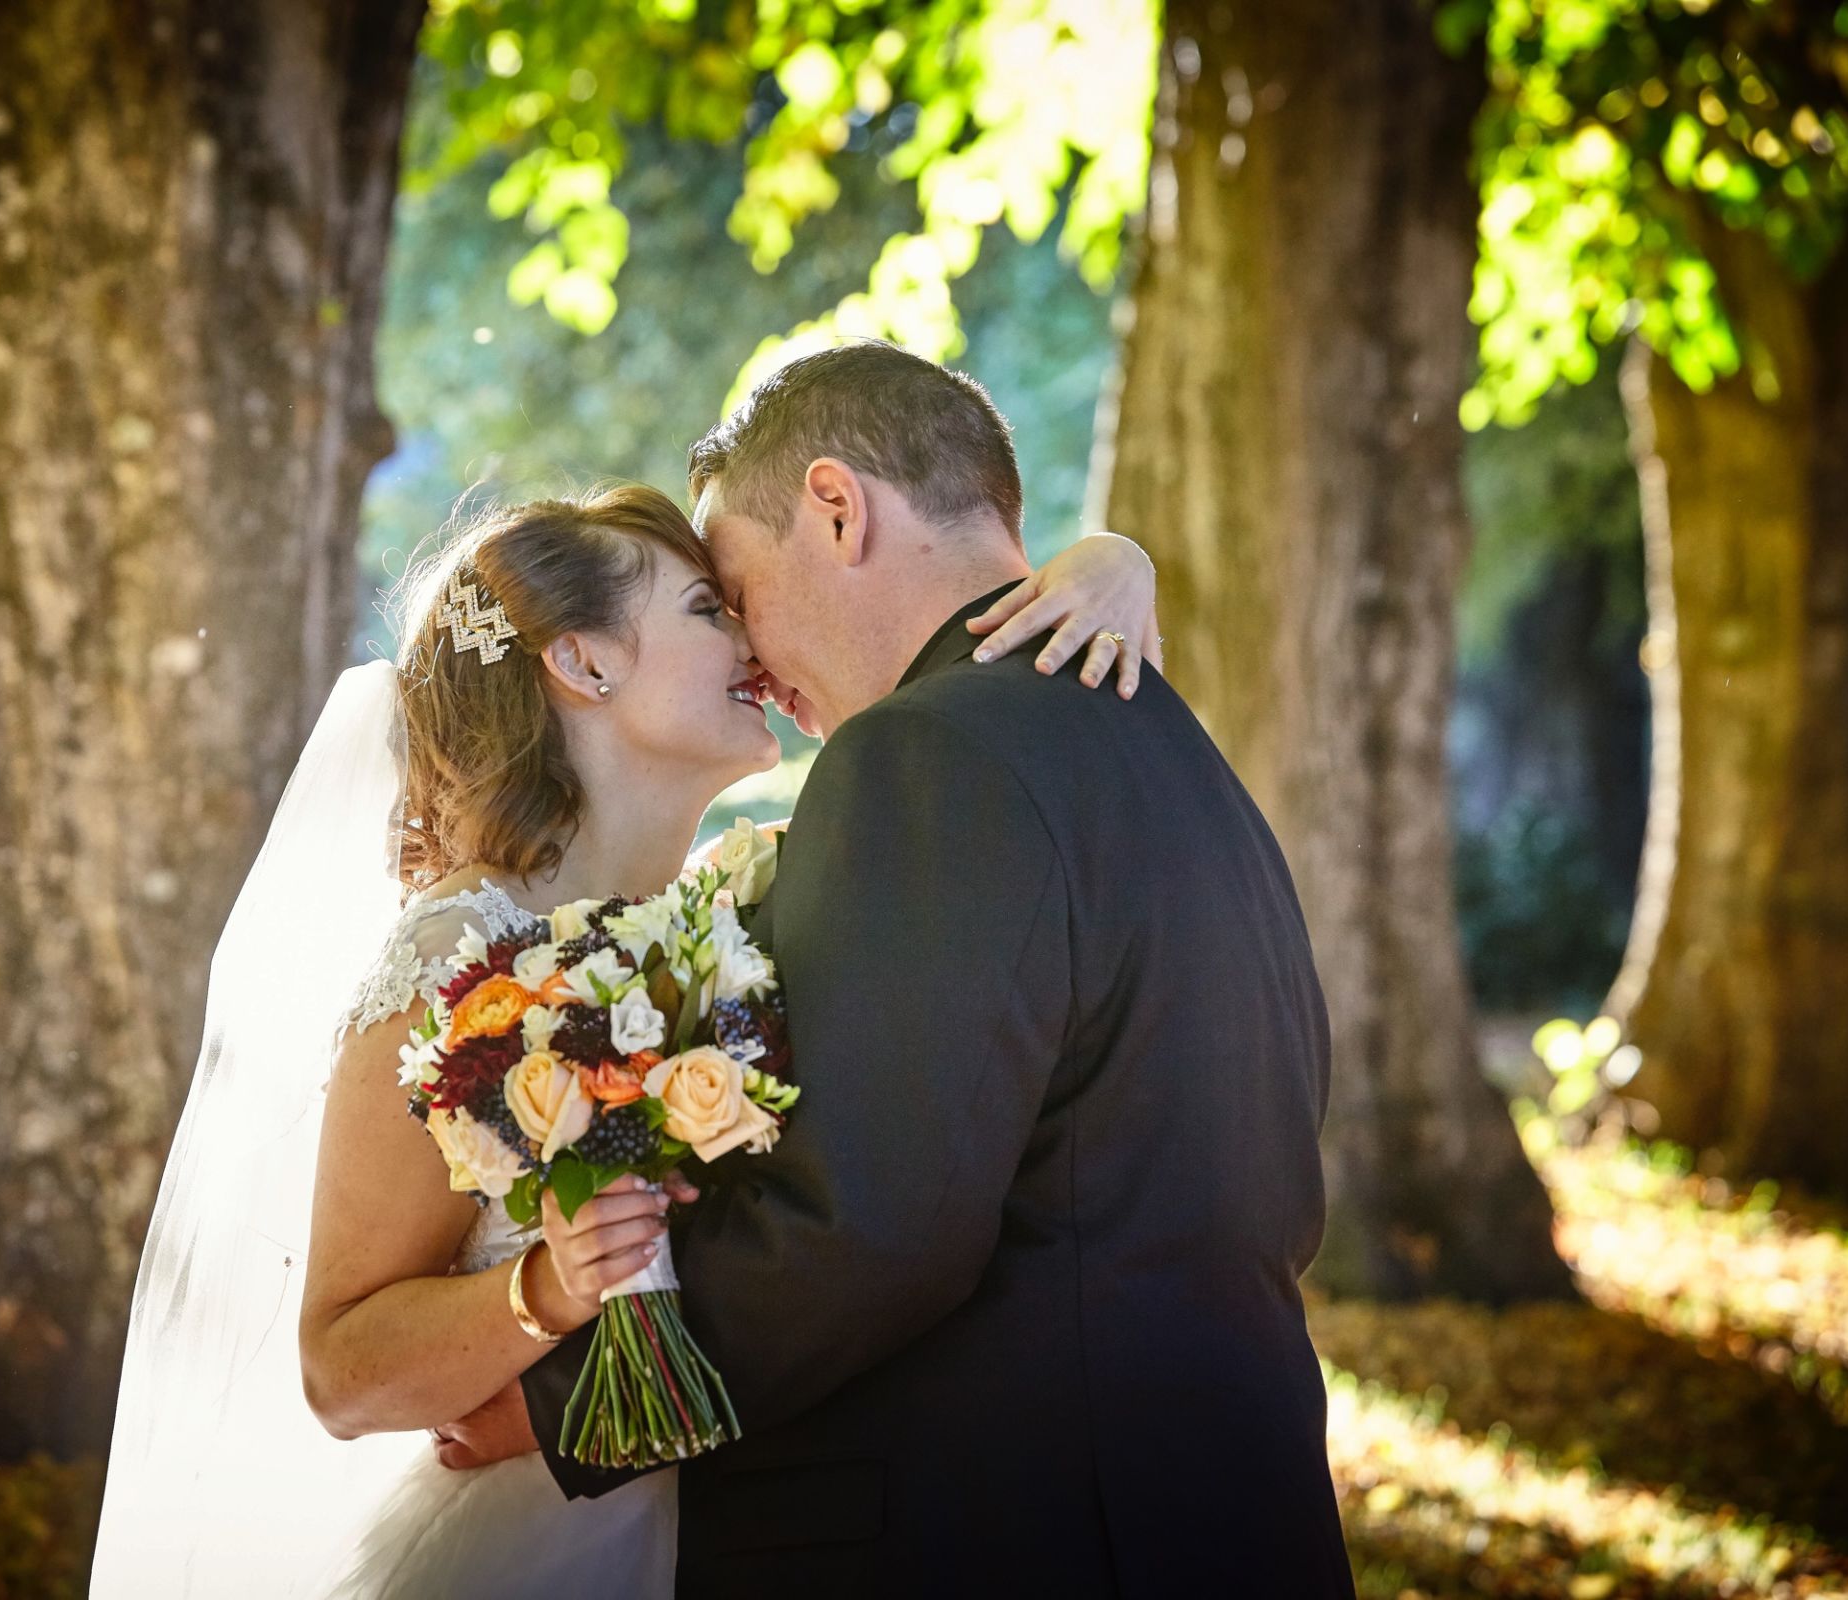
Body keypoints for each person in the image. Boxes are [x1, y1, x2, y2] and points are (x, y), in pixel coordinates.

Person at [88, 473, 1163, 1597]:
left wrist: (1115, 561)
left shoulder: (739, 910)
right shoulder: (455, 958)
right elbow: (340, 1369)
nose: (753, 635)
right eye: (708, 609)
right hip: (530, 1549)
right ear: (585, 662)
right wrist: (543, 1294)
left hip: (758, 1531)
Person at [515, 342, 1357, 1596]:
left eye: (737, 589)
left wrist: (558, 1418)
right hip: (1226, 1507)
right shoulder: (1173, 746)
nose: (748, 654)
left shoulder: (925, 756)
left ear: (838, 509)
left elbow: (871, 1230)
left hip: (1010, 1529)